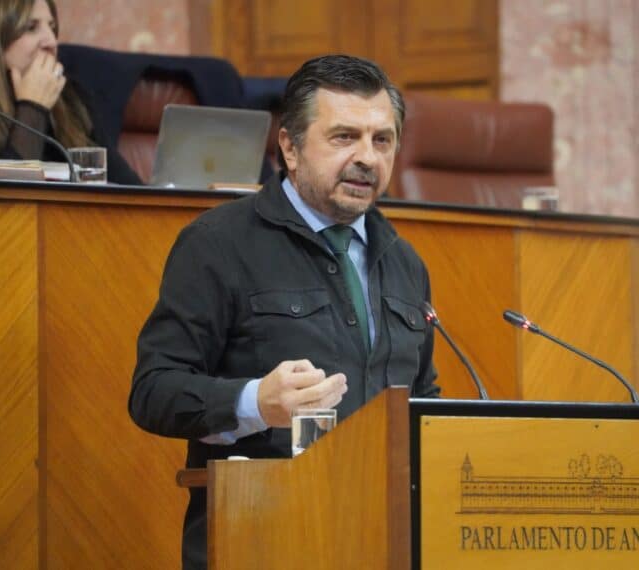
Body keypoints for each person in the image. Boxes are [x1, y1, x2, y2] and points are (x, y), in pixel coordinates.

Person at [129, 54, 440, 568]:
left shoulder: (405, 262)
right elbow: (153, 391)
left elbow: (422, 400)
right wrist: (254, 402)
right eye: (344, 137)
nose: (367, 157)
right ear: (291, 148)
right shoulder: (218, 244)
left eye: (381, 140)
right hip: (259, 535)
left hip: (382, 539)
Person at [0, 0, 141, 185]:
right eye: (31, 27)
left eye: (52, 27)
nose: (50, 41)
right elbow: (3, 205)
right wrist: (33, 107)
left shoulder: (71, 97)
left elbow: (130, 188)